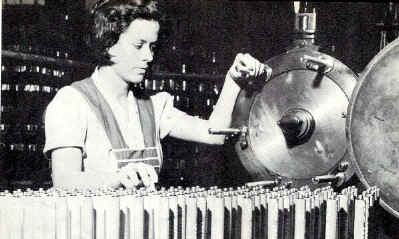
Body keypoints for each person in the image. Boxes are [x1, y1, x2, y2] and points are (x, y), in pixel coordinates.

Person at [44, 0, 268, 190]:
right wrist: (117, 179)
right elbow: (64, 181)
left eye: (151, 47)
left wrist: (233, 80)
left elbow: (214, 134)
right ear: (108, 45)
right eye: (138, 45)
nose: (148, 57)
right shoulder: (72, 102)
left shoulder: (154, 105)